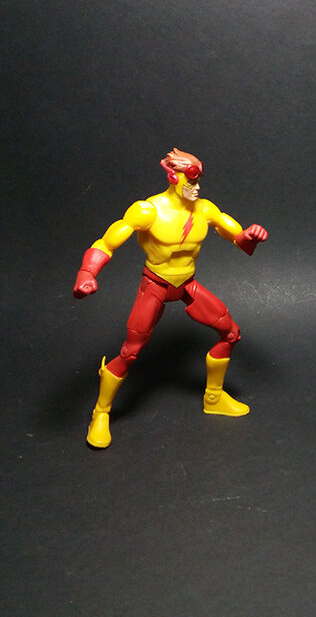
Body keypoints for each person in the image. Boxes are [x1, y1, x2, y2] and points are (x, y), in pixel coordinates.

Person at [73, 148, 268, 448]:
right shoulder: (148, 211)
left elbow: (239, 239)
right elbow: (107, 242)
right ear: (173, 177)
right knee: (130, 352)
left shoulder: (205, 210)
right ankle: (101, 412)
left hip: (187, 284)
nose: (197, 187)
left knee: (230, 334)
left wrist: (250, 236)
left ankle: (214, 398)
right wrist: (87, 272)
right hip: (155, 284)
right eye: (191, 180)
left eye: (199, 180)